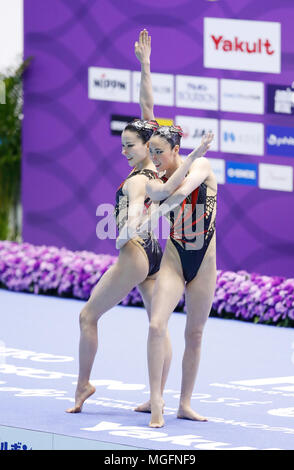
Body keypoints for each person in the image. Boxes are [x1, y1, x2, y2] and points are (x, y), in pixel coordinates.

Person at [66, 29, 170, 414]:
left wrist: (122, 234)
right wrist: (144, 65)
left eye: (130, 146)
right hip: (157, 251)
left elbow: (132, 215)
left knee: (87, 316)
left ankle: (83, 386)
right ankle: (157, 397)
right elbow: (148, 108)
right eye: (122, 145)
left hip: (136, 252)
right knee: (157, 325)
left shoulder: (141, 179)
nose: (125, 151)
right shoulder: (156, 158)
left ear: (146, 147)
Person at [120, 124, 217, 427]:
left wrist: (194, 157)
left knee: (195, 333)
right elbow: (164, 192)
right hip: (175, 259)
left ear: (177, 150)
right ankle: (156, 399)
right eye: (152, 153)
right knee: (156, 324)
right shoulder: (153, 182)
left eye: (160, 152)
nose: (155, 158)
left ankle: (184, 403)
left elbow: (183, 192)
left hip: (203, 263)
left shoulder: (201, 164)